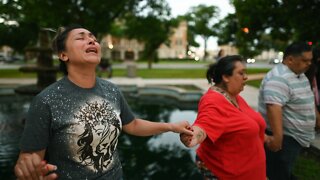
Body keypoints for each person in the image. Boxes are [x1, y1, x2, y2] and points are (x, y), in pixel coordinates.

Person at [14, 24, 193, 180]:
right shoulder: (46, 100)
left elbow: (133, 125)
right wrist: (27, 169)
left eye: (93, 38)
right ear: (63, 55)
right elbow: (29, 160)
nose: (92, 41)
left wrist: (171, 126)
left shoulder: (111, 90)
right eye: (81, 38)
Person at [180, 55, 268, 180]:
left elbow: (243, 126)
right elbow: (204, 124)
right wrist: (193, 135)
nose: (246, 77)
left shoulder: (233, 96)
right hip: (226, 173)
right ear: (226, 77)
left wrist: (266, 138)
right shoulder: (213, 101)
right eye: (241, 73)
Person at [258, 42, 319, 180]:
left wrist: (317, 117)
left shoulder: (298, 73)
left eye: (310, 60)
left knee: (285, 171)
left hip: (293, 138)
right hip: (286, 138)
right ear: (290, 59)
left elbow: (307, 97)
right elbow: (273, 107)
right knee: (278, 174)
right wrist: (277, 138)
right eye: (305, 60)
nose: (309, 64)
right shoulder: (278, 78)